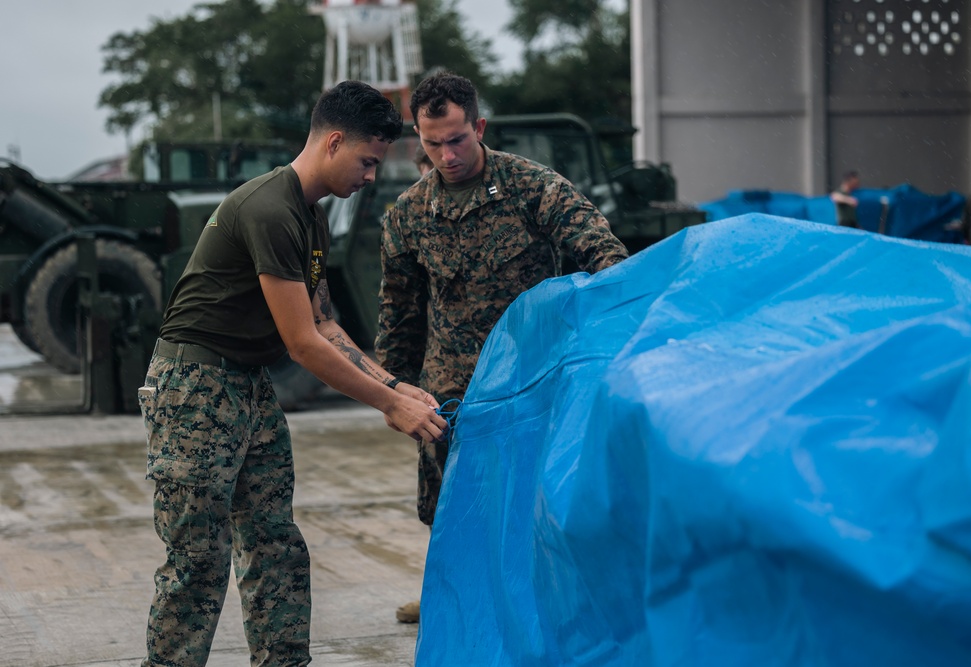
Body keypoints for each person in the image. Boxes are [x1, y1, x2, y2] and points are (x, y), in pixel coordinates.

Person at [138, 80, 448, 667]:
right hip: (194, 387)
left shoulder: (309, 218)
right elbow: (302, 345)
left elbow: (325, 323)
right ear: (333, 142)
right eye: (367, 161)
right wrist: (387, 406)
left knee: (275, 543)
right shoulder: (269, 208)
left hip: (247, 386)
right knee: (198, 557)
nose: (370, 177)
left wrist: (395, 385)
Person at [375, 71, 629, 624]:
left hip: (531, 379)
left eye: (457, 139)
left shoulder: (534, 188)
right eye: (432, 142)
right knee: (454, 506)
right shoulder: (407, 216)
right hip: (452, 392)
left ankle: (550, 604)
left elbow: (605, 257)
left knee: (538, 500)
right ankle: (454, 593)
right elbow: (399, 316)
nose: (446, 154)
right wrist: (390, 392)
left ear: (479, 126)